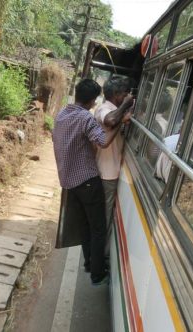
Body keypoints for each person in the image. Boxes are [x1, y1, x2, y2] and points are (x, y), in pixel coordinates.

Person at [52, 79, 133, 285]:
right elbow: (104, 142)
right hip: (88, 180)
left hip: (69, 181)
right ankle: (97, 273)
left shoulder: (62, 114)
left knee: (86, 227)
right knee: (97, 229)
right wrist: (122, 122)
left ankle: (89, 263)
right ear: (92, 100)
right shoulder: (85, 118)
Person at [94, 77, 134, 243]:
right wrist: (126, 105)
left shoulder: (114, 110)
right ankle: (99, 256)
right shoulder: (105, 108)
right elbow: (110, 120)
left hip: (108, 171)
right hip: (106, 173)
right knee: (104, 216)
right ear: (117, 95)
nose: (127, 97)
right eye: (124, 94)